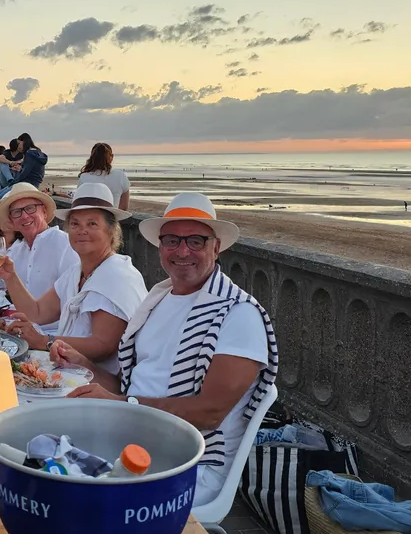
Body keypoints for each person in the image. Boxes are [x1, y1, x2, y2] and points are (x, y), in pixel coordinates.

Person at [58, 192, 279, 506]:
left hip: (188, 465)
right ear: (160, 247)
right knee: (36, 449)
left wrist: (124, 404)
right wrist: (83, 365)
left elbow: (209, 413)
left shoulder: (239, 314)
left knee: (67, 495)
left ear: (216, 247)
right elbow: (128, 386)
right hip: (130, 437)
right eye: (172, 240)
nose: (182, 250)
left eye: (196, 241)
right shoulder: (158, 301)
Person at [0, 183, 146, 373]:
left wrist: (44, 341)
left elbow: (103, 346)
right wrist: (11, 277)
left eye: (92, 223)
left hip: (100, 384)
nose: (82, 230)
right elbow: (37, 312)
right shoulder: (76, 273)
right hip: (71, 371)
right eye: (75, 224)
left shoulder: (117, 275)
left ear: (111, 230)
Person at [0, 182, 78, 334]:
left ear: (44, 211)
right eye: (17, 212)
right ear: (12, 220)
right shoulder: (17, 250)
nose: (24, 216)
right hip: (19, 329)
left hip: (54, 335)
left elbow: (74, 302)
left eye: (30, 208)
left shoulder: (65, 244)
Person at [79, 142, 130, 210]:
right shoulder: (120, 176)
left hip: (90, 217)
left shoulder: (84, 177)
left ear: (92, 157)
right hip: (111, 217)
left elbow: (79, 203)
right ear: (111, 157)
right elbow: (124, 207)